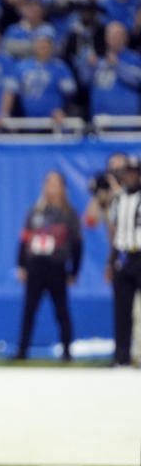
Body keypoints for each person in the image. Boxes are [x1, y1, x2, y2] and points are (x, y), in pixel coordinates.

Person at [14, 171, 82, 361]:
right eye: (48, 183)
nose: (51, 188)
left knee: (61, 310)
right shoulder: (35, 211)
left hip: (56, 266)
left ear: (62, 188)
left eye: (55, 184)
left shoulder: (69, 214)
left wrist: (74, 271)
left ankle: (67, 351)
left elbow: (77, 245)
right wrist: (21, 265)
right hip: (35, 266)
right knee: (29, 310)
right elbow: (24, 239)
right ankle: (22, 350)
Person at [105, 155, 141, 366]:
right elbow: (115, 232)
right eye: (128, 173)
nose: (131, 177)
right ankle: (121, 355)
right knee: (121, 310)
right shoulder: (118, 199)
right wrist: (111, 262)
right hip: (124, 255)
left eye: (135, 173)